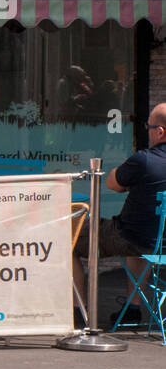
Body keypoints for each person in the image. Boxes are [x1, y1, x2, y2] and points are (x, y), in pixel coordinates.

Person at [74, 104, 166, 317]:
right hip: (155, 240)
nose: (149, 131)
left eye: (149, 127)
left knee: (68, 238)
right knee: (142, 243)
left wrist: (129, 179)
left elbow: (112, 184)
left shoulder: (144, 160)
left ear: (160, 132)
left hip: (129, 235)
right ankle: (133, 307)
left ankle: (79, 309)